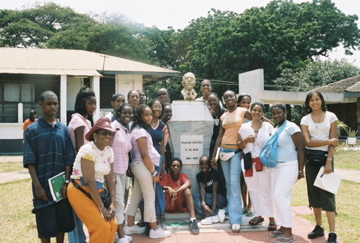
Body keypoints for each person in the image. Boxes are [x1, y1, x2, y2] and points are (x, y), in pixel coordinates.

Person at [23, 91, 75, 243]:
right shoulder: (32, 130)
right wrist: (37, 186)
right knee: (45, 225)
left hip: (61, 188)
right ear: (40, 104)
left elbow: (68, 158)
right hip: (42, 185)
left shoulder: (63, 130)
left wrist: (66, 183)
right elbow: (29, 160)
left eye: (55, 103)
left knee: (62, 224)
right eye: (49, 103)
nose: (53, 107)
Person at [67, 117, 117, 242]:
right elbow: (89, 181)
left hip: (98, 190)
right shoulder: (87, 150)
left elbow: (110, 178)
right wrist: (102, 208)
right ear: (95, 134)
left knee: (113, 224)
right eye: (104, 133)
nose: (108, 136)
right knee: (101, 227)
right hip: (80, 190)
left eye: (110, 133)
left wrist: (112, 203)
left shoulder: (109, 151)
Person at [124, 104, 171, 239]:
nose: (150, 117)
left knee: (136, 196)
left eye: (151, 114)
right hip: (143, 167)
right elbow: (145, 155)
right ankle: (154, 229)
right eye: (146, 115)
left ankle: (130, 226)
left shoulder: (137, 130)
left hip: (139, 166)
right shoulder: (141, 132)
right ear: (140, 116)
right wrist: (154, 172)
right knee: (150, 197)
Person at [300, 91, 339, 243]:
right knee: (314, 194)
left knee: (328, 195)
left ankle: (333, 232)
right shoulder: (305, 119)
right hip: (311, 159)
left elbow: (334, 141)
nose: (315, 102)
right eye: (311, 100)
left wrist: (329, 161)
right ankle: (318, 226)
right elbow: (308, 142)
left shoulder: (331, 117)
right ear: (308, 103)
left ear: (321, 101)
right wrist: (329, 141)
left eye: (317, 99)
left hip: (326, 159)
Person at [211, 90, 252, 233]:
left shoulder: (242, 111)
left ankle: (236, 219)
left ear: (235, 98)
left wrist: (271, 126)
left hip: (236, 151)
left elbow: (257, 119)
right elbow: (219, 137)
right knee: (228, 184)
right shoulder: (223, 116)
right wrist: (214, 156)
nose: (229, 98)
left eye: (231, 96)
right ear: (224, 99)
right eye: (226, 97)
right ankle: (230, 211)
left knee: (234, 184)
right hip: (224, 152)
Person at [268, 103, 305, 243]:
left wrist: (301, 170)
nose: (276, 115)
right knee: (278, 197)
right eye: (274, 113)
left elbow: (301, 148)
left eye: (279, 113)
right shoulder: (276, 128)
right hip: (276, 167)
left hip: (289, 166)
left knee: (280, 196)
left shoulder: (292, 127)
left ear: (286, 113)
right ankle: (283, 227)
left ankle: (289, 232)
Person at [238, 102, 277, 231]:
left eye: (260, 111)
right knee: (253, 189)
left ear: (263, 113)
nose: (256, 113)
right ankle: (258, 214)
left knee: (267, 189)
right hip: (249, 162)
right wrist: (245, 141)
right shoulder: (243, 127)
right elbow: (238, 145)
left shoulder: (268, 127)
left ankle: (271, 218)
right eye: (254, 110)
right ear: (250, 111)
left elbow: (274, 144)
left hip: (264, 162)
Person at [68, 86, 96, 243]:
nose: (93, 106)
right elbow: (81, 150)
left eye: (95, 103)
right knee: (78, 212)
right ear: (81, 103)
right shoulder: (78, 121)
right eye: (90, 103)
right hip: (81, 173)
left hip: (86, 170)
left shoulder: (85, 120)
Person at [111, 103, 133, 243]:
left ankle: (119, 233)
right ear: (118, 114)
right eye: (124, 113)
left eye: (130, 113)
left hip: (123, 171)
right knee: (118, 203)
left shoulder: (126, 129)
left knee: (121, 202)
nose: (127, 116)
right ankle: (120, 236)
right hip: (112, 172)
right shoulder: (113, 127)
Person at [160, 158, 200, 234]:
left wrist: (175, 191)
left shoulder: (182, 176)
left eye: (178, 166)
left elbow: (188, 184)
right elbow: (160, 186)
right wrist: (168, 188)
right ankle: (156, 218)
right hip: (169, 206)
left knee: (187, 191)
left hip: (180, 204)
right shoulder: (166, 176)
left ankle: (193, 219)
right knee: (160, 191)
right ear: (169, 167)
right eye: (173, 166)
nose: (175, 168)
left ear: (181, 168)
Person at [193, 155, 227, 225]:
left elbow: (214, 191)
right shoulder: (199, 176)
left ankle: (213, 214)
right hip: (209, 198)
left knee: (194, 197)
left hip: (219, 198)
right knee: (192, 200)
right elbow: (202, 190)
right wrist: (203, 204)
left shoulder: (215, 173)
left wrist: (213, 208)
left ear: (210, 165)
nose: (204, 166)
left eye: (206, 164)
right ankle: (217, 213)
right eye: (202, 164)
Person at [237, 93, 253, 217]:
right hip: (242, 151)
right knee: (243, 180)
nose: (246, 105)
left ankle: (250, 206)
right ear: (239, 104)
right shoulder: (238, 116)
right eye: (244, 102)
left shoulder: (253, 117)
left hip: (254, 153)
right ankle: (244, 204)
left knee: (253, 181)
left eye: (248, 103)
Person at [207, 92, 226, 158]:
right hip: (212, 143)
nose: (212, 102)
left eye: (214, 100)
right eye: (210, 101)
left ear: (218, 100)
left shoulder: (225, 112)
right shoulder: (209, 114)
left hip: (223, 143)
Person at [161, 102, 174, 170]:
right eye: (166, 112)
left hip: (169, 154)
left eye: (170, 112)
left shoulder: (169, 124)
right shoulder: (160, 125)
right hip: (162, 154)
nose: (169, 114)